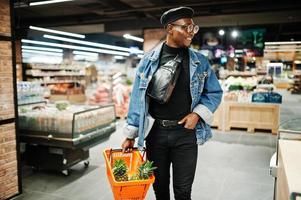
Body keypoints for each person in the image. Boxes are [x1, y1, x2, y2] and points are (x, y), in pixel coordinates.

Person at [121, 6, 223, 200]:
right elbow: (137, 100)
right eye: (185, 28)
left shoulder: (200, 61)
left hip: (185, 135)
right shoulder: (148, 61)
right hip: (155, 134)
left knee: (183, 191)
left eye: (193, 28)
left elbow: (214, 92)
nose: (190, 33)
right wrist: (130, 135)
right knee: (159, 188)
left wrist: (197, 114)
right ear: (170, 28)